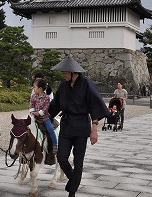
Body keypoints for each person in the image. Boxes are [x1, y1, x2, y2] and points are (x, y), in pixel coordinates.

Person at [48, 55, 109, 197]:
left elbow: (95, 105)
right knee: (62, 157)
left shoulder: (87, 85)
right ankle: (74, 180)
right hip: (67, 125)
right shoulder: (63, 86)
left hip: (81, 126)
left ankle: (72, 192)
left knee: (78, 161)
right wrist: (44, 116)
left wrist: (94, 129)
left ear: (73, 72)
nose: (63, 74)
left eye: (65, 72)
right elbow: (55, 106)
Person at [30, 78, 58, 154]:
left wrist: (39, 113)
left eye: (35, 87)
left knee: (50, 130)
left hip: (44, 118)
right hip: (34, 117)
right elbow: (31, 105)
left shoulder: (47, 98)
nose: (34, 89)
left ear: (40, 88)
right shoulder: (33, 96)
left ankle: (55, 145)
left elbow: (45, 108)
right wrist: (32, 112)